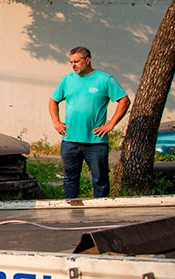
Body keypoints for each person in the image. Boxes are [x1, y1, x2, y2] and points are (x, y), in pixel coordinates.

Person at [49, 46, 130, 198]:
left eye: (77, 61)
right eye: (71, 62)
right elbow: (53, 100)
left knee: (100, 180)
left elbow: (124, 101)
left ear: (88, 60)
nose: (73, 65)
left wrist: (110, 124)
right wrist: (56, 121)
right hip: (70, 140)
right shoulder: (67, 80)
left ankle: (99, 214)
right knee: (70, 179)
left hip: (96, 142)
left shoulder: (104, 80)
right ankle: (72, 211)